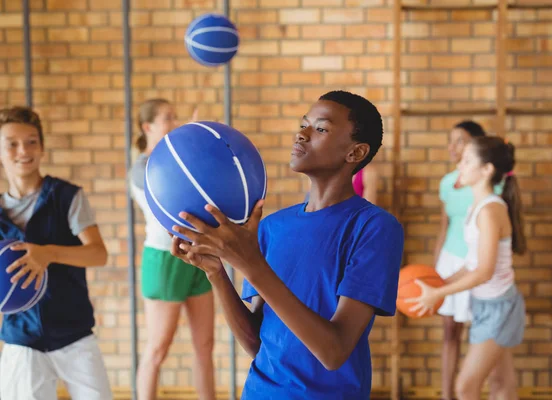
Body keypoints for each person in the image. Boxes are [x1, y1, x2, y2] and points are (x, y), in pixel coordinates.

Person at [170, 91, 404, 399]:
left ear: (355, 153)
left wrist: (251, 265)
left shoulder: (374, 228)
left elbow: (334, 351)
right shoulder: (272, 227)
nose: (302, 134)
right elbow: (256, 342)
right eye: (303, 124)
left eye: (320, 128)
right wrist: (216, 272)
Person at [0, 106, 112, 400]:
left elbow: (98, 254)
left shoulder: (67, 197)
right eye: (12, 143)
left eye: (31, 141)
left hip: (74, 333)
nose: (23, 150)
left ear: (42, 147)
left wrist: (48, 253)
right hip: (21, 337)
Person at [407, 136, 527, 400]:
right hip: (486, 305)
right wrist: (440, 283)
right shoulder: (477, 207)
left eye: (468, 160)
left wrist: (439, 294)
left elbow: (483, 272)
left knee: (465, 387)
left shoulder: (489, 210)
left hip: (500, 309)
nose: (460, 164)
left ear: (487, 170)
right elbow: (471, 264)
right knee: (501, 383)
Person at [128, 99, 215, 400]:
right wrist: (187, 141)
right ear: (147, 127)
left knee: (205, 345)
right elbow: (169, 184)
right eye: (167, 118)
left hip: (196, 255)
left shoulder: (175, 159)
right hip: (164, 259)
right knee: (157, 349)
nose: (173, 123)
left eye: (175, 117)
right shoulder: (142, 167)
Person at [432, 120, 500, 400]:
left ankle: (473, 391)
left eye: (460, 141)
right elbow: (444, 226)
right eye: (451, 140)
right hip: (451, 262)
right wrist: (436, 267)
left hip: (479, 264)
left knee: (484, 333)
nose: (453, 147)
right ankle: (448, 395)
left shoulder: (495, 184)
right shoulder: (447, 183)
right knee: (450, 332)